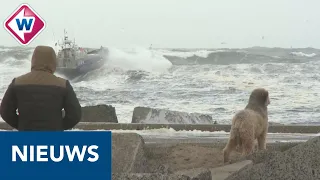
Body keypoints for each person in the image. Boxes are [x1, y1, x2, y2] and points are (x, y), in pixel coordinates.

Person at [0, 46, 82, 131]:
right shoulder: (63, 84)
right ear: (54, 62)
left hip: (26, 138)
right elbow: (75, 115)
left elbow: (5, 111)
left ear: (33, 60)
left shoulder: (17, 82)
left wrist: (22, 125)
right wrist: (58, 127)